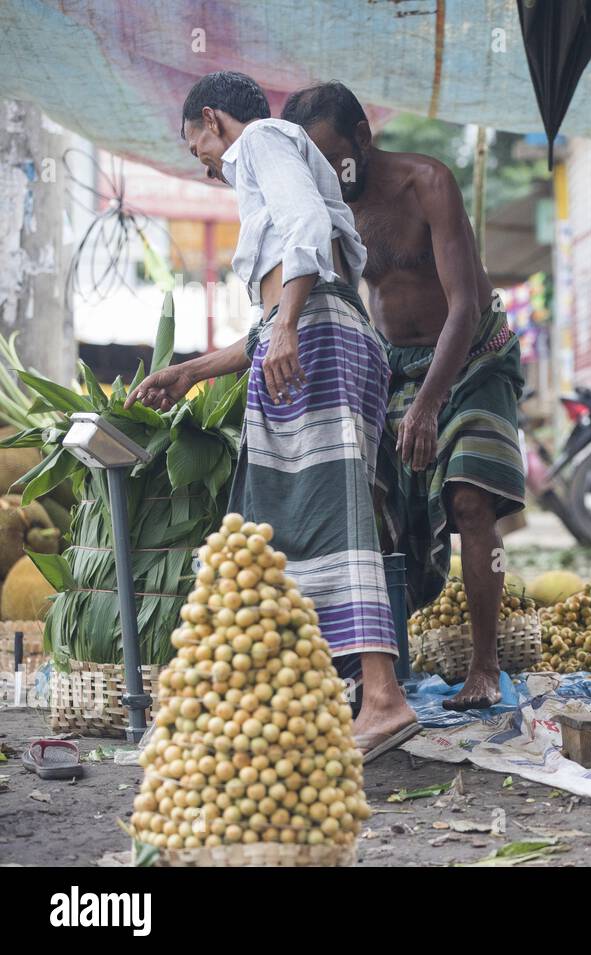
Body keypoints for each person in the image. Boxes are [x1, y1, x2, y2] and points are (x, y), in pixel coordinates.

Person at [127, 71, 419, 758]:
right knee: (286, 525)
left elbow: (307, 232)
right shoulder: (277, 161)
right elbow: (268, 320)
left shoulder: (260, 140)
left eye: (193, 143)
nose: (200, 161)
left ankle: (382, 697)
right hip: (321, 333)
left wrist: (287, 326)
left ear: (211, 120)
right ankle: (305, 701)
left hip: (315, 335)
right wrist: (189, 371)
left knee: (328, 510)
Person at [281, 82, 525, 711]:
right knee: (373, 507)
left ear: (363, 136)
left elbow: (465, 303)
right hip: (391, 364)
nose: (327, 172)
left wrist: (426, 406)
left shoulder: (429, 183)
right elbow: (325, 300)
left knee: (471, 502)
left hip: (472, 355)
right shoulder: (326, 207)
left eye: (334, 156)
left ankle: (484, 665)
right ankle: (384, 668)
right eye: (311, 161)